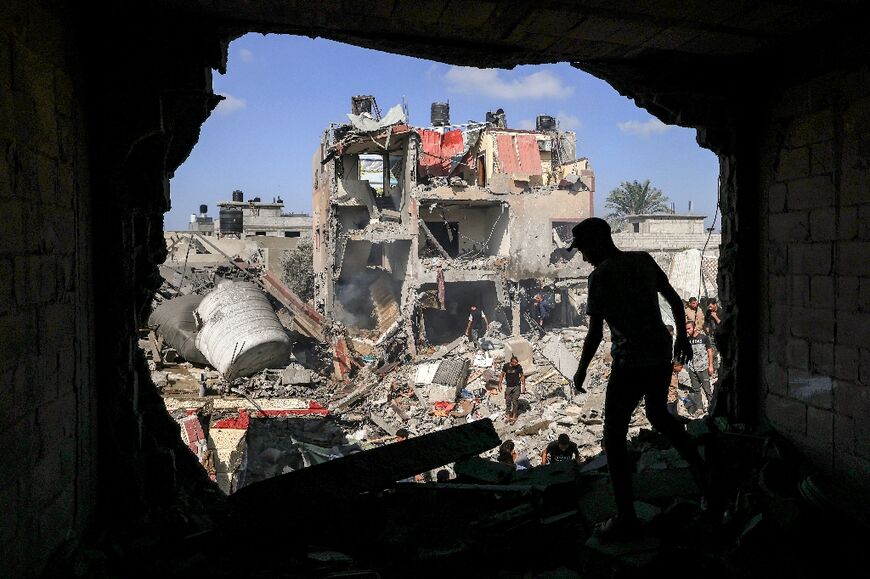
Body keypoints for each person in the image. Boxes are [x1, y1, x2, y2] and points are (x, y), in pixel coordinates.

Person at [568, 217, 708, 542]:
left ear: (597, 243)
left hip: (630, 362)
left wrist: (581, 369)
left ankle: (626, 517)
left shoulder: (599, 277)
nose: (583, 257)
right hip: (659, 353)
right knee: (658, 414)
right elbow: (673, 298)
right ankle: (705, 477)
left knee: (614, 435)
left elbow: (594, 333)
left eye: (584, 249)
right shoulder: (642, 261)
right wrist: (681, 338)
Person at [686, 320, 715, 413]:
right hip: (692, 369)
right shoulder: (688, 340)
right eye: (686, 329)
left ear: (694, 328)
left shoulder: (704, 338)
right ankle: (699, 408)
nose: (687, 331)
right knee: (696, 390)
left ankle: (712, 407)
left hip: (703, 368)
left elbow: (710, 352)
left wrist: (711, 366)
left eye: (689, 328)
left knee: (707, 389)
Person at [498, 355, 525, 424]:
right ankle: (508, 416)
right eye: (515, 363)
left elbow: (522, 375)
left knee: (514, 401)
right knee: (508, 401)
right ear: (511, 362)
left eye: (517, 362)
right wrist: (499, 384)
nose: (516, 364)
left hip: (516, 386)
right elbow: (502, 374)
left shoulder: (518, 367)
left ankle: (514, 416)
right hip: (509, 387)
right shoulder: (506, 366)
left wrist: (523, 386)